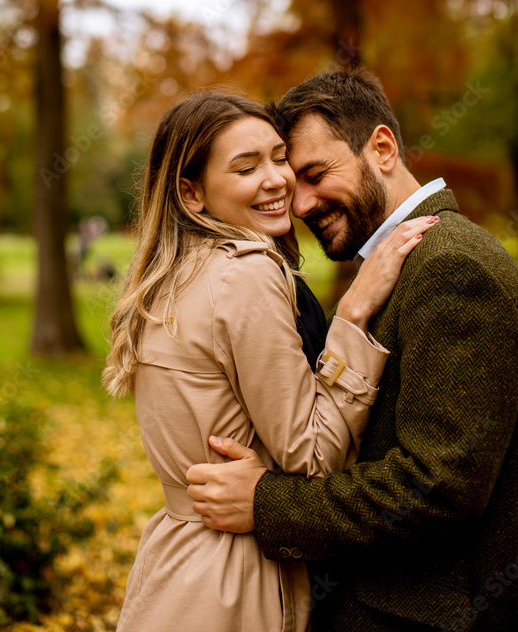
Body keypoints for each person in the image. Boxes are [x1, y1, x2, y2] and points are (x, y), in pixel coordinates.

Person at [186, 69, 518, 632]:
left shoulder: (451, 267)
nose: (304, 204)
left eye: (316, 175)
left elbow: (439, 489)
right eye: (296, 186)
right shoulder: (403, 263)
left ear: (382, 148)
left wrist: (267, 504)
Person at [104, 89, 436, 632]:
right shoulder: (247, 274)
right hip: (236, 581)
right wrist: (350, 320)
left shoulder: (169, 278)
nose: (279, 179)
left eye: (279, 157)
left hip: (173, 567)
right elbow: (311, 457)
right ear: (191, 194)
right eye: (246, 167)